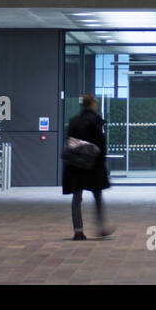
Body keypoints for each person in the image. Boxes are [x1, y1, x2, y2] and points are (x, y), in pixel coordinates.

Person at [63, 94, 113, 240]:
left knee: (76, 197)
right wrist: (101, 161)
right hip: (92, 164)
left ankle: (78, 230)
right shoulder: (95, 121)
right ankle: (101, 227)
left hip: (76, 164)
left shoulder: (74, 121)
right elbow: (101, 144)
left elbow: (70, 143)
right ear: (92, 104)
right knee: (97, 194)